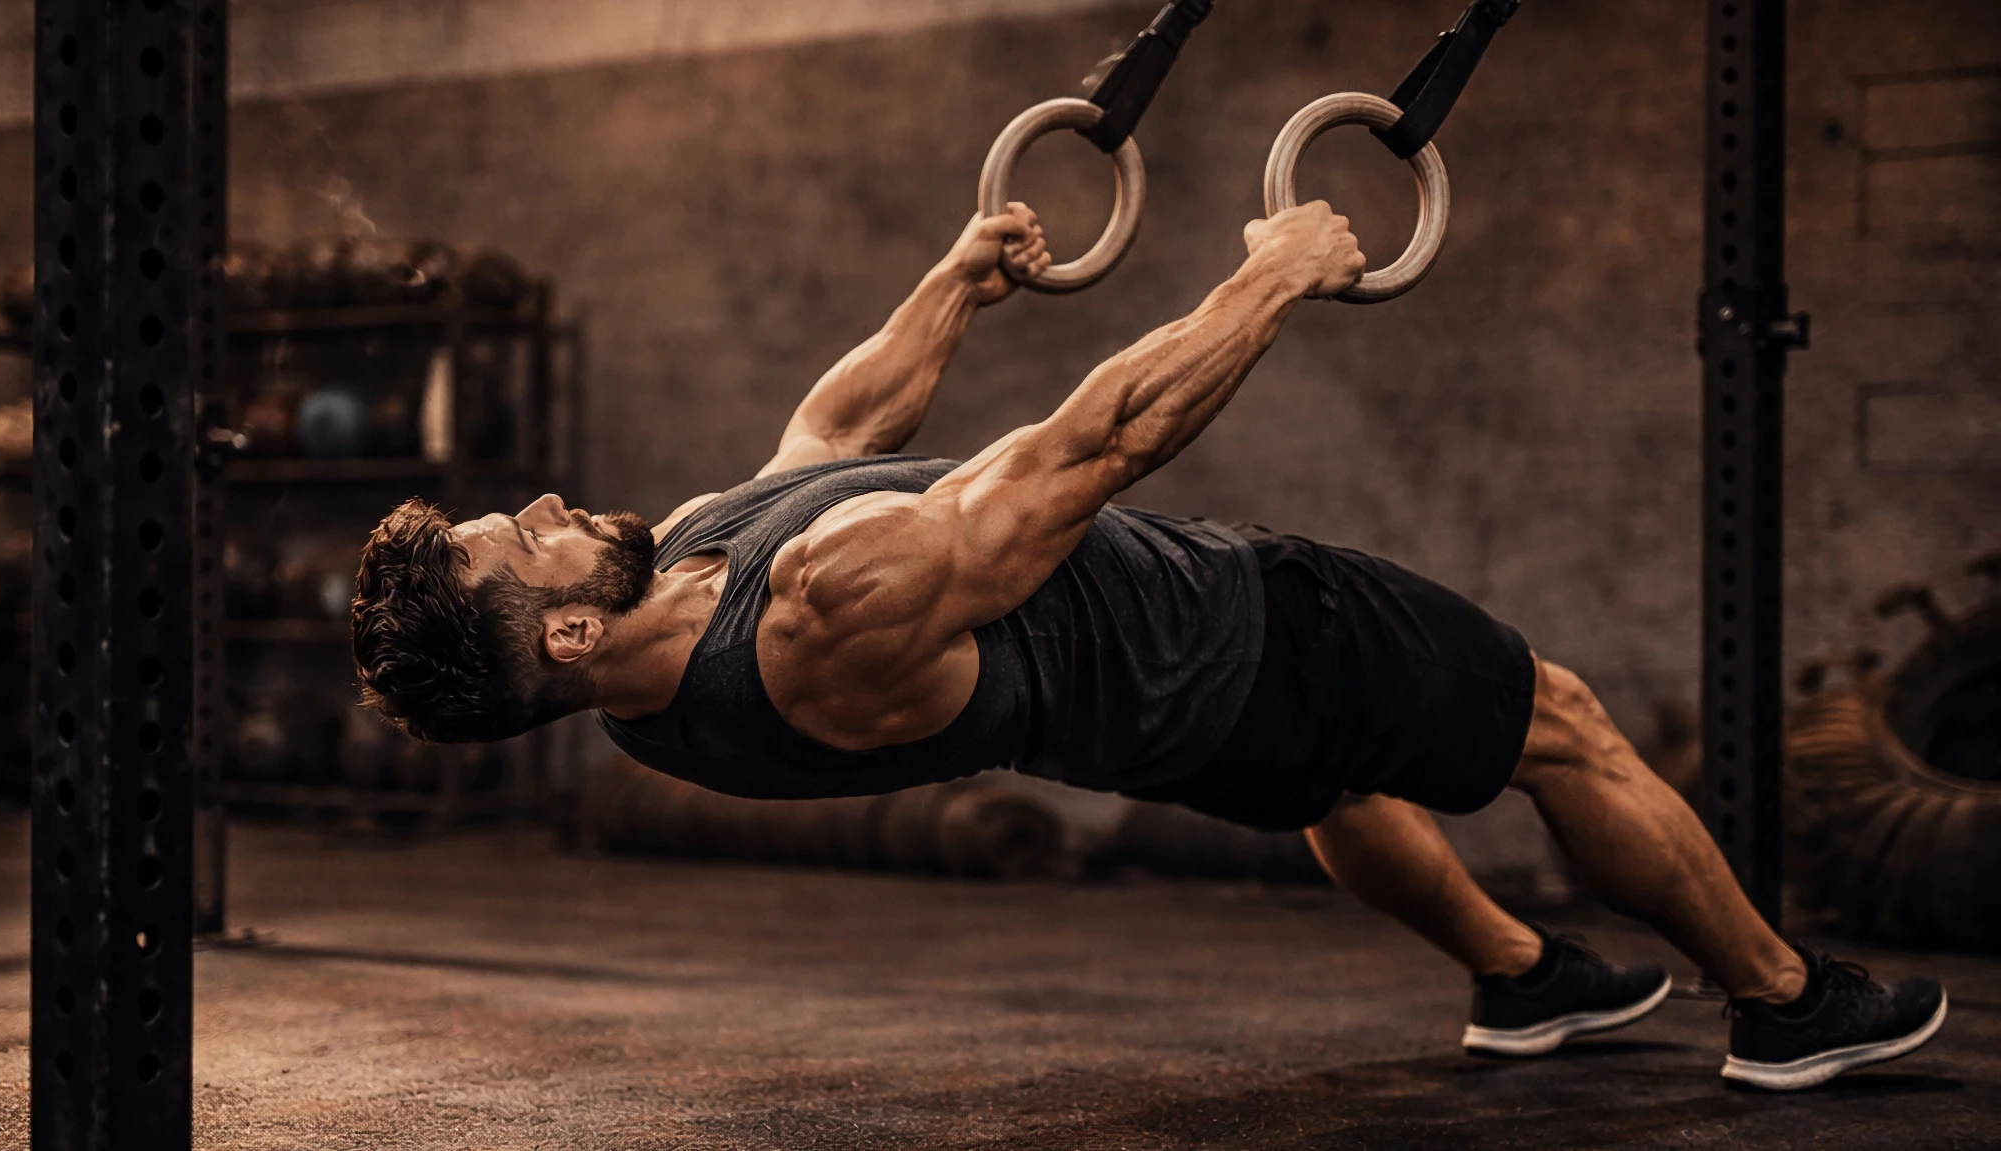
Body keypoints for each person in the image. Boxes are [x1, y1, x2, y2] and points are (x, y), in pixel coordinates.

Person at [352, 203, 1945, 1090]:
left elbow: (833, 431)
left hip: (1161, 726)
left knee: (1336, 790)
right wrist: (1276, 275)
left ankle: (1519, 977)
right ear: (564, 627)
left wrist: (951, 285)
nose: (550, 498)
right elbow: (1089, 450)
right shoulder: (818, 614)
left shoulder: (663, 638)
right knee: (1566, 726)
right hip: (1239, 626)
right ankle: (1782, 998)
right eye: (525, 532)